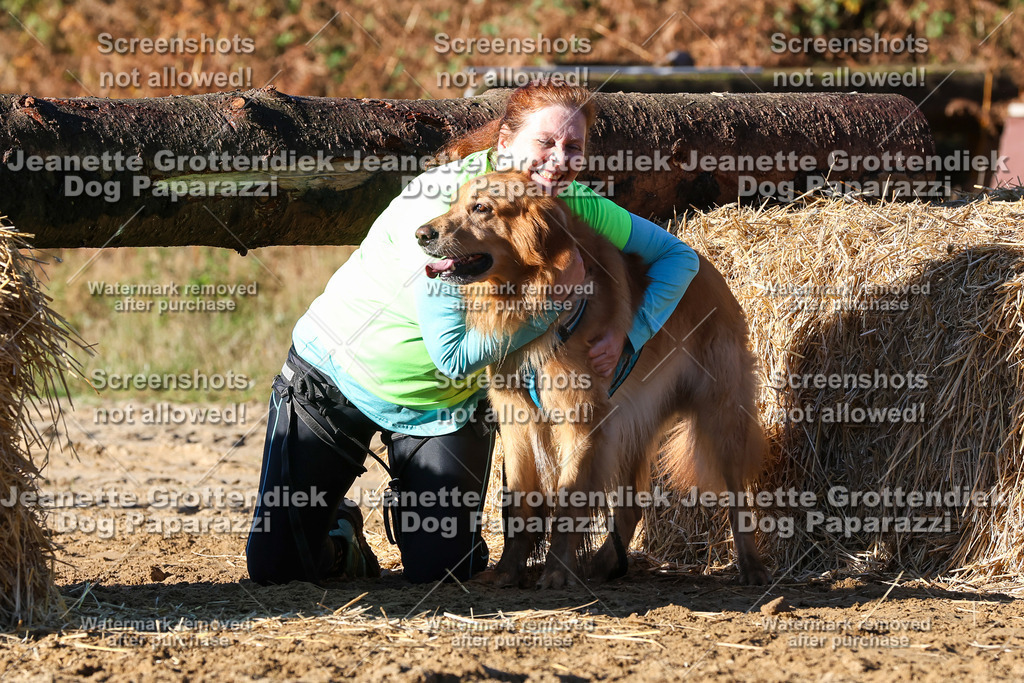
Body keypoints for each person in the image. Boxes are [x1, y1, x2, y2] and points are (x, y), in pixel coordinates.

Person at [245, 83, 700, 585]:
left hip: (443, 408)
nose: (558, 160)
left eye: (573, 147)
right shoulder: (443, 210)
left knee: (447, 573)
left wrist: (627, 336)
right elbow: (452, 355)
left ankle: (417, 503)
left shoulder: (565, 203)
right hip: (336, 377)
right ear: (504, 144)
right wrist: (554, 302)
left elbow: (678, 259)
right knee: (278, 569)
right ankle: (340, 532)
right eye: (545, 142)